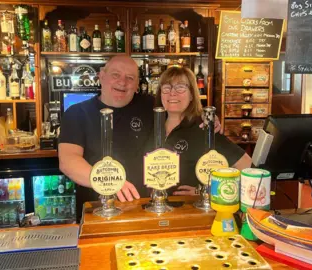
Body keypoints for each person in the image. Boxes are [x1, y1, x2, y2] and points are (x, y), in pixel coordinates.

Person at [59, 56, 222, 220]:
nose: (122, 82)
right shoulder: (77, 113)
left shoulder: (150, 105)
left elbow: (180, 108)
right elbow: (68, 161)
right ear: (101, 76)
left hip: (145, 209)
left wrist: (207, 118)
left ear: (137, 84)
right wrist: (110, 181)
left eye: (130, 78)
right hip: (99, 210)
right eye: (115, 75)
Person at [155, 66, 252, 196]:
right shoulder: (153, 124)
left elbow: (246, 165)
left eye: (180, 87)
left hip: (189, 211)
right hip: (151, 209)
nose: (172, 93)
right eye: (167, 87)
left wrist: (207, 191)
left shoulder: (203, 127)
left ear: (191, 95)